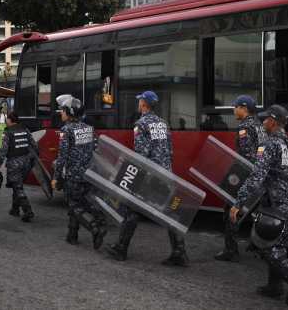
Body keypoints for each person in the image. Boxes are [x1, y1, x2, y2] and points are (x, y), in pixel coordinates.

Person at [230, 104, 288, 305]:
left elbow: (256, 177)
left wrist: (238, 203)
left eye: (265, 119)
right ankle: (274, 287)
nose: (263, 122)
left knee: (264, 244)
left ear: (273, 122)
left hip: (276, 205)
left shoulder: (268, 145)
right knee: (283, 243)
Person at [106, 91, 188, 266]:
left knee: (131, 210)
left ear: (144, 104)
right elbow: (170, 151)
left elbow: (141, 154)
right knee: (170, 213)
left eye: (139, 101)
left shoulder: (141, 124)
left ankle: (121, 248)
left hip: (150, 175)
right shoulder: (163, 124)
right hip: (166, 173)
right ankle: (179, 252)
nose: (138, 103)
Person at [51, 94, 107, 249]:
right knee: (78, 204)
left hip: (73, 175)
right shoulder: (89, 128)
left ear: (69, 112)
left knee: (74, 205)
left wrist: (56, 178)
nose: (60, 113)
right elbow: (95, 149)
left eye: (62, 111)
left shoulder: (66, 130)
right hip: (88, 174)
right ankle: (72, 235)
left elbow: (62, 157)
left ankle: (95, 228)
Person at [215, 95, 266, 263]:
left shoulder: (244, 127)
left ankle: (231, 250)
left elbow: (245, 156)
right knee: (257, 211)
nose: (233, 109)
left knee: (230, 209)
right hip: (261, 173)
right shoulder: (259, 124)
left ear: (244, 108)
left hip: (247, 174)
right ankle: (260, 246)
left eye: (235, 106)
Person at [0, 111, 37, 222]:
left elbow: (4, 150)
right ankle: (15, 209)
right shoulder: (25, 129)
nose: (6, 121)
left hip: (14, 163)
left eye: (7, 119)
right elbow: (34, 145)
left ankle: (28, 211)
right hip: (26, 163)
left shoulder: (8, 132)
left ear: (10, 120)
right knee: (17, 185)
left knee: (17, 187)